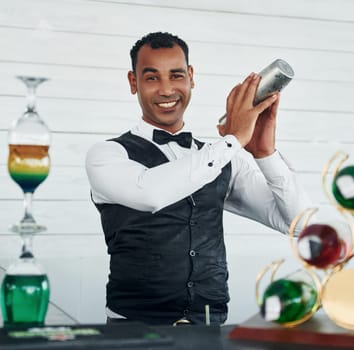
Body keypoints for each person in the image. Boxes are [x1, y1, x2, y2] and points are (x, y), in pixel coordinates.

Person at [85, 32, 311, 325]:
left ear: (191, 77)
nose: (167, 90)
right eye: (152, 78)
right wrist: (232, 140)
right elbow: (151, 194)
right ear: (133, 82)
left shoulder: (220, 156)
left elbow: (300, 224)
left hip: (208, 325)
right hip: (134, 326)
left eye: (176, 75)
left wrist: (265, 153)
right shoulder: (107, 155)